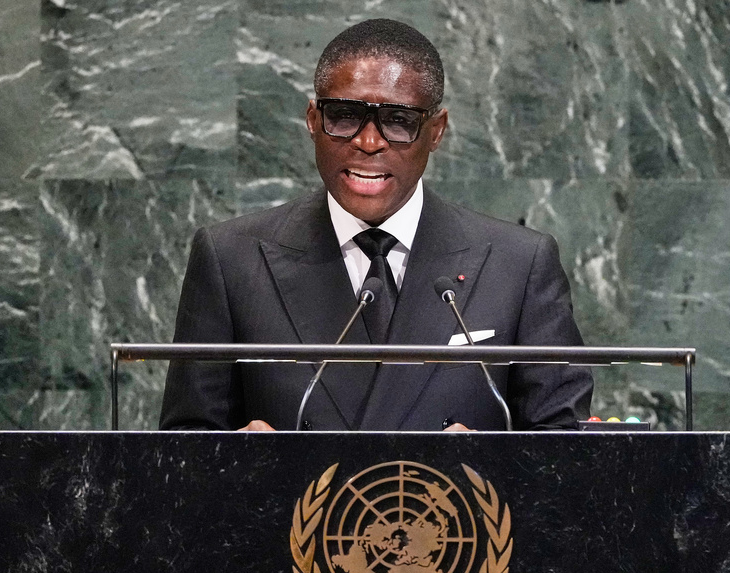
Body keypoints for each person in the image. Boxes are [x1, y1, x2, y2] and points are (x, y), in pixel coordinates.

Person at [159, 19, 592, 431]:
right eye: (345, 116)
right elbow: (180, 450)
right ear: (313, 120)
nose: (369, 143)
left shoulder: (518, 264)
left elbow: (564, 451)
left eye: (399, 121)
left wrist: (489, 463)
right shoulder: (232, 260)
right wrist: (238, 459)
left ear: (436, 130)